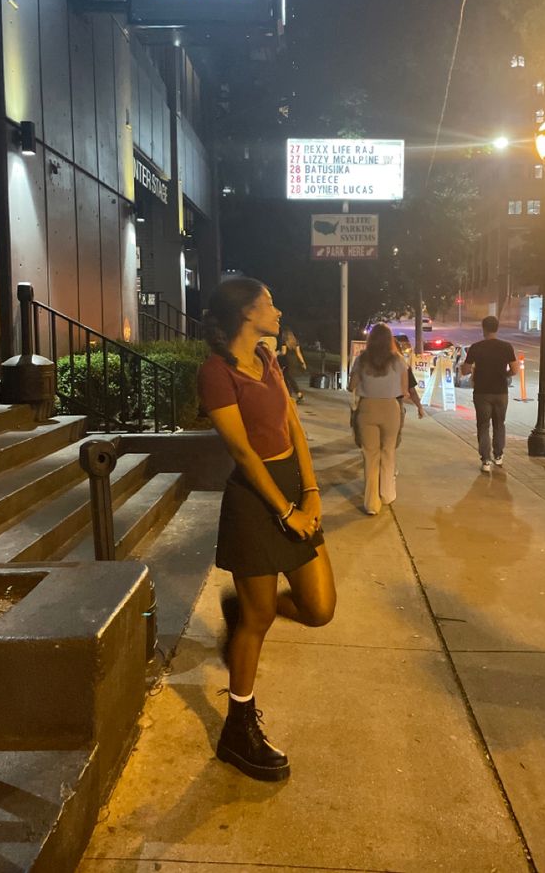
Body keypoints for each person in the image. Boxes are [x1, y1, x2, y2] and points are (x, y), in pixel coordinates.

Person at [197, 278, 336, 781]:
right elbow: (241, 452)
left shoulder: (268, 357)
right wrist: (285, 511)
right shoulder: (216, 374)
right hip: (254, 503)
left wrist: (312, 492)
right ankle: (238, 729)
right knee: (257, 625)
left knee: (319, 608)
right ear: (245, 312)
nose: (277, 311)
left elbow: (293, 426)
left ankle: (244, 606)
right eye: (269, 303)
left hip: (293, 488)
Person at [348, 323, 408, 514]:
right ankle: (387, 494)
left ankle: (371, 503)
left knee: (370, 455)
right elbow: (405, 391)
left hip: (367, 408)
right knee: (388, 451)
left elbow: (351, 386)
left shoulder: (361, 359)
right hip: (391, 409)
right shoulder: (398, 360)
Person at [461, 316, 519, 473]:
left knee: (483, 425)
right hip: (501, 392)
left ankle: (485, 460)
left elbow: (465, 370)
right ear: (497, 328)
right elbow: (514, 370)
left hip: (481, 392)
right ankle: (498, 455)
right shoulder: (506, 347)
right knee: (500, 424)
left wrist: (472, 370)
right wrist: (503, 375)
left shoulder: (476, 347)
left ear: (483, 328)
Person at [278, 326, 307, 402]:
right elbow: (299, 353)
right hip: (294, 361)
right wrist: (303, 363)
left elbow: (283, 352)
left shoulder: (284, 341)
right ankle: (290, 395)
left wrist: (277, 353)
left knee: (288, 378)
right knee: (289, 378)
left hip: (287, 361)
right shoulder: (295, 342)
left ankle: (297, 394)